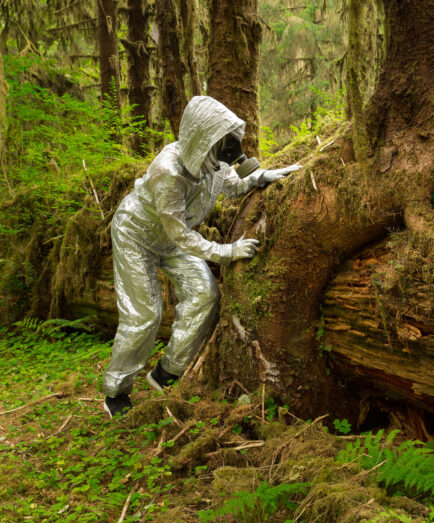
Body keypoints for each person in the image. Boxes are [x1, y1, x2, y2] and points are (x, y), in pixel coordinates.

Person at [101, 96, 301, 418]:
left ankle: (167, 372)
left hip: (173, 238)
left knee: (206, 294)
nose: (230, 154)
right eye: (224, 146)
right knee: (145, 315)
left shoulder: (213, 162)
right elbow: (179, 232)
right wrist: (225, 252)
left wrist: (262, 177)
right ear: (203, 139)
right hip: (136, 235)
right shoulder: (168, 171)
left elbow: (234, 186)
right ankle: (115, 392)